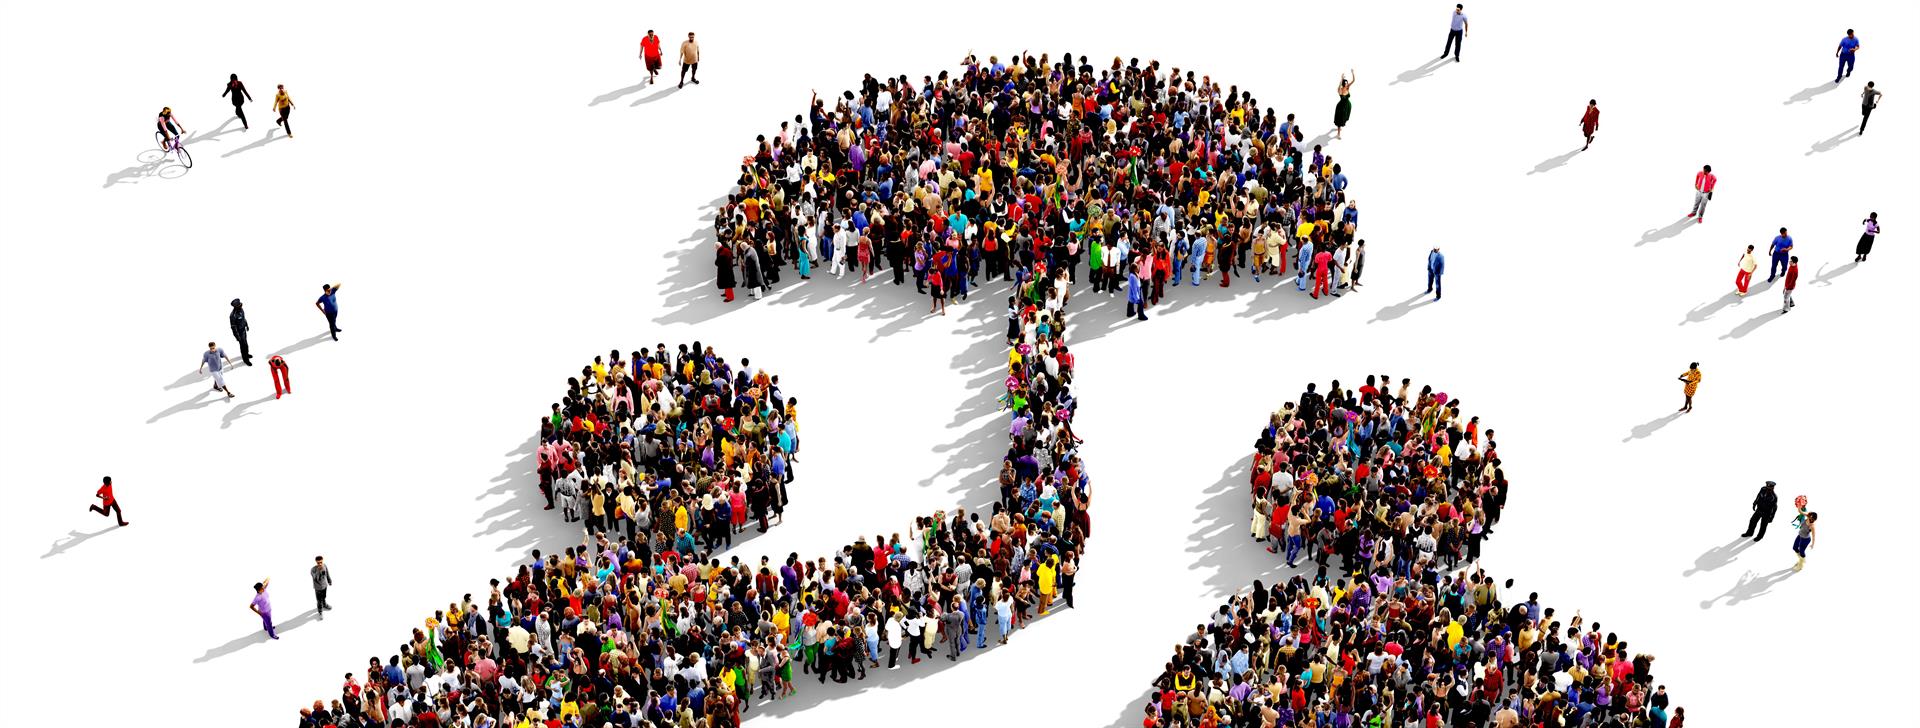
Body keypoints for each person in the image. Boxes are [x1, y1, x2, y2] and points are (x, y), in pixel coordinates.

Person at [229, 299, 253, 366]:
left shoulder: (241, 310)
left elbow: (243, 318)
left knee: (246, 344)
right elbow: (233, 327)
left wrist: (246, 325)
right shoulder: (233, 315)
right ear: (236, 306)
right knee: (243, 346)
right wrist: (237, 337)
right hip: (239, 333)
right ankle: (245, 359)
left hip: (243, 330)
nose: (241, 305)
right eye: (239, 305)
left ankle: (247, 354)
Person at [1333, 70, 1354, 139]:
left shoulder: (1347, 87)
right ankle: (1338, 134)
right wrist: (1341, 79)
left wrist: (1353, 73)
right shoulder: (1340, 90)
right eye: (1345, 83)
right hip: (1341, 107)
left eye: (1347, 83)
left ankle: (1339, 129)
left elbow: (1353, 80)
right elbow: (1339, 87)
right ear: (1343, 84)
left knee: (1344, 118)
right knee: (1339, 120)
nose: (1347, 84)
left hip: (1347, 106)